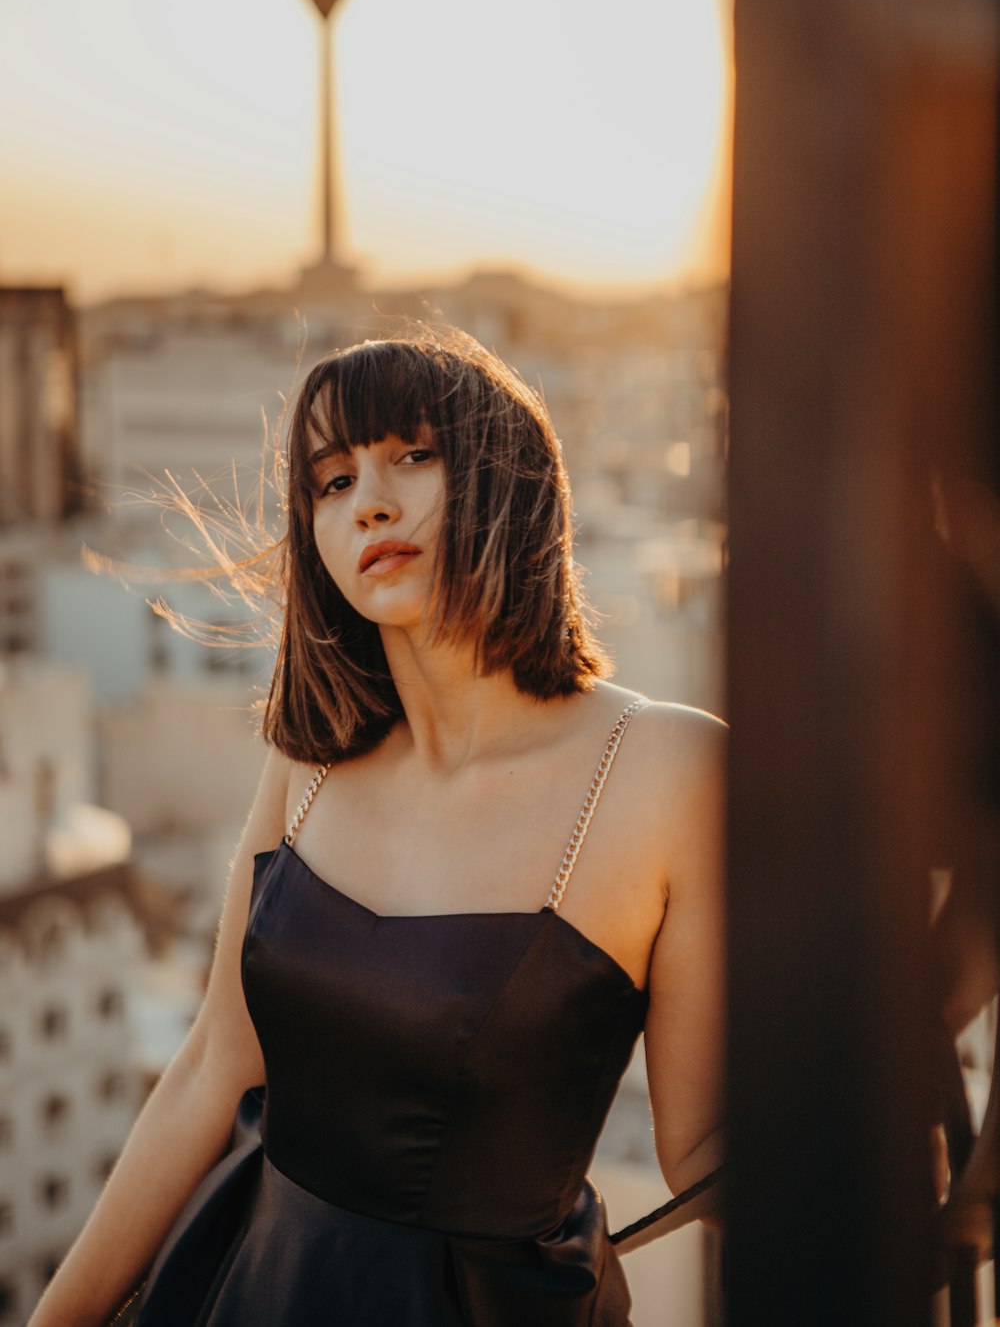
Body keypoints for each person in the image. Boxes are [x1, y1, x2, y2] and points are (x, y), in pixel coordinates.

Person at [29, 328, 725, 1327]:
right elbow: (210, 1069)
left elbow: (700, 1145)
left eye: (412, 455)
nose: (372, 503)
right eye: (332, 480)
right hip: (247, 1286)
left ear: (509, 478)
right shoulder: (309, 756)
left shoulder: (668, 767)